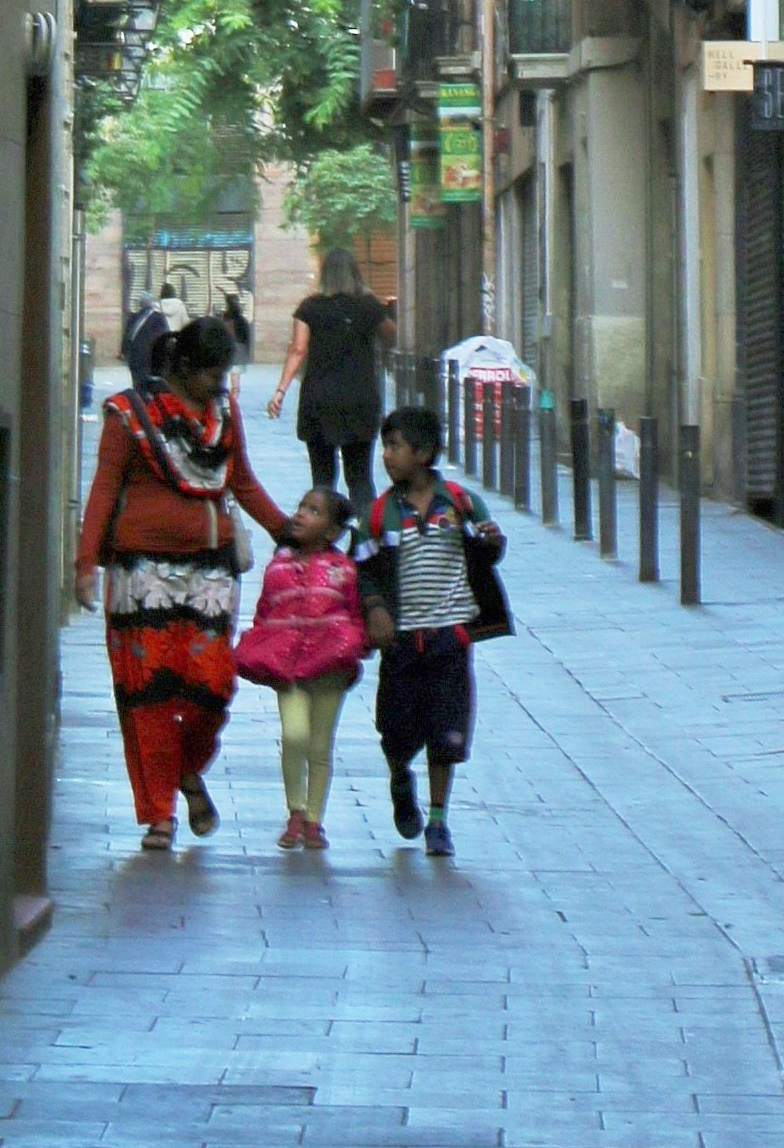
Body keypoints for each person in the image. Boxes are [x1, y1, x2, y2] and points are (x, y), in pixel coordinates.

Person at [71, 307, 290, 846]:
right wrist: (83, 566)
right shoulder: (129, 416)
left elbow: (242, 483)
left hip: (210, 574)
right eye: (213, 373)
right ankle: (159, 812)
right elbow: (103, 489)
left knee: (210, 687)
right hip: (139, 575)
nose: (221, 385)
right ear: (185, 367)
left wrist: (289, 530)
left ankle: (188, 768)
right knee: (148, 694)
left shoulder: (224, 415)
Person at [355, 399, 500, 860]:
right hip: (402, 640)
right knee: (394, 729)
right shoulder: (380, 514)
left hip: (448, 637)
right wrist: (375, 608)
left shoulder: (459, 503)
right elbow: (360, 568)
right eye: (384, 446)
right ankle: (400, 774)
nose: (385, 455)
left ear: (423, 452)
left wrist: (493, 543)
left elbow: (487, 547)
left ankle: (438, 818)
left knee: (446, 730)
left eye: (394, 447)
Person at [233, 484, 373, 849]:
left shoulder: (343, 569)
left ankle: (313, 819)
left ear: (332, 531)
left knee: (320, 744)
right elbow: (266, 610)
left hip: (331, 665)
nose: (300, 514)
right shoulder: (278, 567)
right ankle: (295, 809)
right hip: (288, 665)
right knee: (295, 734)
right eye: (301, 506)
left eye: (313, 510)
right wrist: (261, 642)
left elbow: (355, 612)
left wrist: (355, 643)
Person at [269, 249, 395, 502]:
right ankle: (365, 538)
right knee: (360, 479)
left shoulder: (310, 308)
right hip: (359, 400)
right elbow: (391, 336)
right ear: (355, 273)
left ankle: (321, 536)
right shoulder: (368, 306)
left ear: (325, 275)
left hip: (319, 400)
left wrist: (280, 391)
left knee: (323, 480)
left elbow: (298, 349)